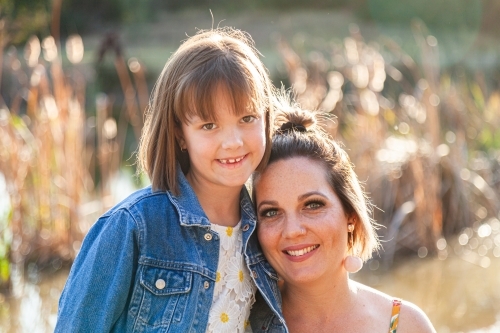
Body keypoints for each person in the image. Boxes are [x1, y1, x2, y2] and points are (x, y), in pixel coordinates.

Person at [55, 27, 285, 332]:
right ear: (180, 134)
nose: (233, 142)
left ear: (266, 117)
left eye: (247, 119)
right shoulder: (134, 226)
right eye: (209, 125)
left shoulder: (264, 231)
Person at [250, 97, 436, 333]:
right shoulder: (238, 322)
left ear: (350, 214)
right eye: (271, 212)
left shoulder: (404, 324)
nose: (293, 230)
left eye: (312, 205)